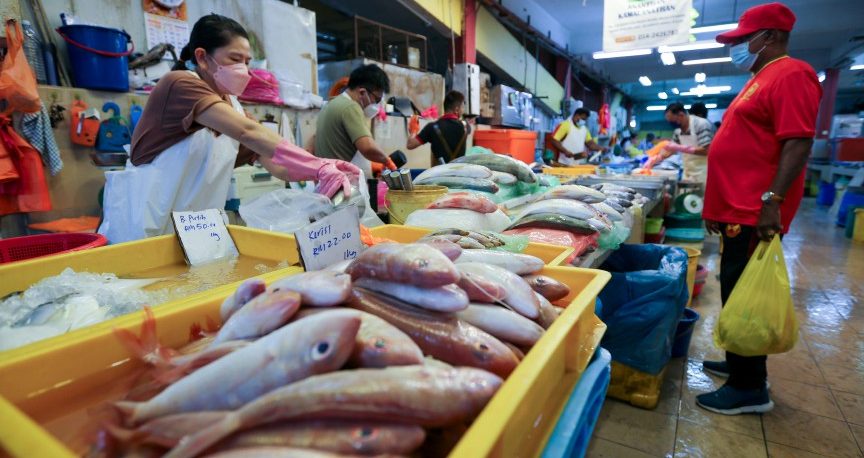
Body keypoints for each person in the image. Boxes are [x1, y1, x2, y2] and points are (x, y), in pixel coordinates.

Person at [98, 14, 358, 244]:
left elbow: (275, 163)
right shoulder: (178, 84)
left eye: (247, 61)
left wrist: (322, 170)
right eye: (235, 59)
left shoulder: (230, 103)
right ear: (202, 57)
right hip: (149, 225)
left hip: (196, 234)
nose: (244, 69)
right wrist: (316, 165)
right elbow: (249, 132)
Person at [696, 2, 821, 415]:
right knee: (732, 286)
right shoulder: (760, 77)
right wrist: (715, 204)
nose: (735, 47)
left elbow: (798, 141)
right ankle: (738, 362)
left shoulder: (792, 73)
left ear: (769, 36)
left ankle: (750, 386)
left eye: (741, 39)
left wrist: (773, 200)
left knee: (743, 291)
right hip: (735, 209)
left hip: (754, 210)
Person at [309, 64, 397, 177]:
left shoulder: (330, 104)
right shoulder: (351, 107)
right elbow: (367, 148)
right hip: (342, 184)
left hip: (327, 181)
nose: (377, 105)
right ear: (362, 92)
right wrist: (387, 161)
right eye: (377, 99)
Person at [406, 90, 471, 164]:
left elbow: (410, 145)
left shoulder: (432, 127)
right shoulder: (466, 127)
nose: (463, 111)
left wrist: (413, 131)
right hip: (458, 174)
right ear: (456, 109)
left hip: (438, 174)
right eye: (462, 107)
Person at [660, 102, 716, 184]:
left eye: (673, 121)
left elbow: (707, 150)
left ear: (681, 115)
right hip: (687, 172)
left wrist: (682, 148)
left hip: (704, 172)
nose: (672, 124)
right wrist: (657, 158)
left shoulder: (701, 124)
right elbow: (671, 149)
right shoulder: (678, 130)